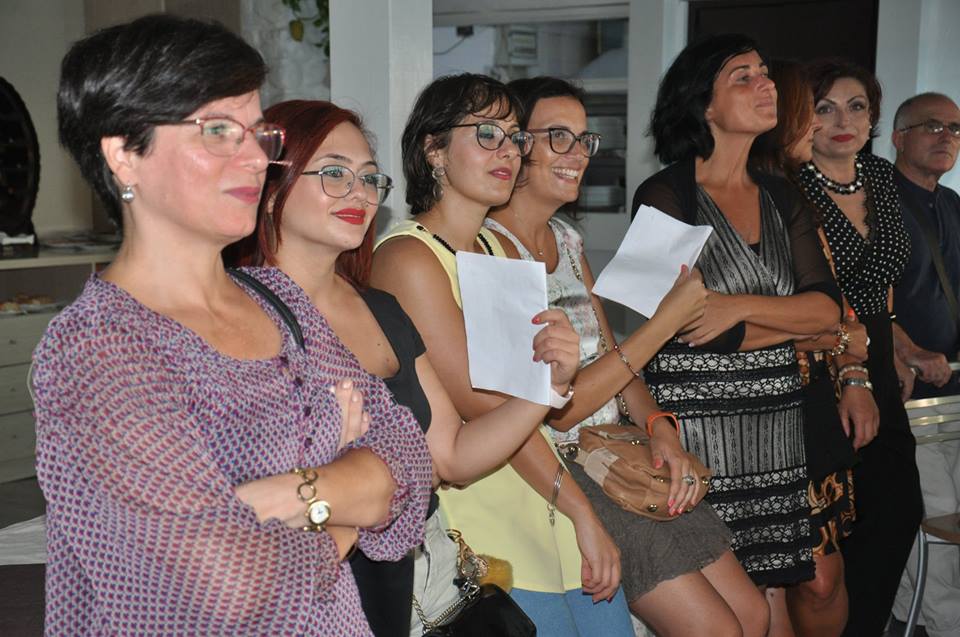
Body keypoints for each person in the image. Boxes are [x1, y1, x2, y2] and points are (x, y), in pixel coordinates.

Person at [35, 15, 432, 636]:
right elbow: (230, 591)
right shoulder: (98, 349)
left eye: (258, 133)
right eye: (218, 131)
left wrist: (288, 495)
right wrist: (344, 502)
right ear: (124, 155)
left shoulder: (277, 301)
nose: (255, 159)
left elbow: (409, 461)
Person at [226, 98, 582, 637]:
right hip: (321, 594)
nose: (359, 193)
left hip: (427, 583)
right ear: (272, 186)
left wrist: (546, 389)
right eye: (334, 174)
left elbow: (452, 455)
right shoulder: (241, 314)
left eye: (370, 178)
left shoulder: (380, 309)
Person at [483, 75, 769, 636]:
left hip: (619, 452)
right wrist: (664, 323)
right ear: (516, 145)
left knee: (754, 614)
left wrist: (661, 428)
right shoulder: (493, 254)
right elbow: (558, 408)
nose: (577, 154)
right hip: (568, 471)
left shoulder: (566, 239)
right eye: (558, 137)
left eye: (584, 139)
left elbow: (614, 358)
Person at [371, 73, 636, 637]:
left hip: (543, 492)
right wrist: (581, 508)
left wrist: (558, 371)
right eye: (487, 135)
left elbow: (528, 392)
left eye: (515, 137)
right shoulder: (408, 257)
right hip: (482, 509)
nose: (509, 152)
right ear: (434, 149)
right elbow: (484, 403)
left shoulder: (496, 246)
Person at [633, 34, 843, 594]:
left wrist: (735, 307)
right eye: (743, 76)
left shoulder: (782, 195)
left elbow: (828, 312)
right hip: (695, 430)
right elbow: (681, 332)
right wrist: (789, 322)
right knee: (723, 603)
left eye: (765, 72)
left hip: (777, 426)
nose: (765, 84)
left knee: (773, 593)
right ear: (704, 104)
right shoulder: (663, 195)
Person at [795, 58, 924, 636]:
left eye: (857, 107)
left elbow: (884, 279)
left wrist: (893, 346)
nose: (843, 121)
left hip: (876, 346)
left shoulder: (879, 174)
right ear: (803, 119)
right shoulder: (792, 186)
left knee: (898, 506)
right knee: (839, 518)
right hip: (822, 353)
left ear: (873, 119)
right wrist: (858, 369)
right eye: (824, 109)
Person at [751, 59, 868, 637]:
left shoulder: (798, 194)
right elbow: (702, 322)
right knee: (775, 579)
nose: (817, 126)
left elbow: (839, 313)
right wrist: (823, 330)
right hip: (749, 409)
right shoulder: (712, 195)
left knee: (821, 577)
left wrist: (852, 372)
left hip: (811, 400)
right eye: (808, 112)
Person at [888, 92, 960, 637]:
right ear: (898, 137)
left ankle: (908, 618)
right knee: (937, 522)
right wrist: (907, 350)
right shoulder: (874, 203)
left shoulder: (953, 204)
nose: (946, 137)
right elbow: (858, 299)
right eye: (932, 126)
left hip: (955, 389)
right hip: (911, 396)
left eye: (955, 129)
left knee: (940, 525)